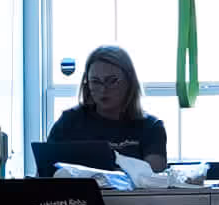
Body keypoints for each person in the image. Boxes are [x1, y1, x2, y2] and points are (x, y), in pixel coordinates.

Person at [35, 44, 175, 176]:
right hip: (78, 200)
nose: (103, 89)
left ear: (129, 82)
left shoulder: (151, 127)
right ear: (87, 84)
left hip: (132, 201)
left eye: (112, 80)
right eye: (95, 81)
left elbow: (154, 181)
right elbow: (44, 175)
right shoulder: (69, 121)